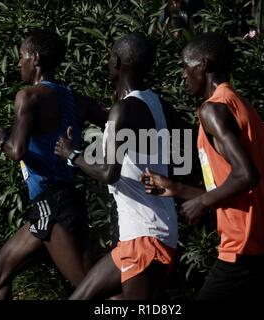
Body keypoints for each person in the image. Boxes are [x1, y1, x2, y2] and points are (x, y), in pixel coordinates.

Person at [142, 32, 264, 300]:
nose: (183, 75)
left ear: (203, 65)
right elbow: (236, 188)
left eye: (186, 67)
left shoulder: (213, 109)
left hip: (244, 245)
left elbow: (247, 176)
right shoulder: (242, 106)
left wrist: (201, 204)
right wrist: (175, 188)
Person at [54, 32, 179, 300]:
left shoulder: (121, 110)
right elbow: (179, 158)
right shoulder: (160, 106)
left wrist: (71, 153)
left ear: (118, 62)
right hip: (156, 230)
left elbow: (109, 174)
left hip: (144, 237)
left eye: (110, 56)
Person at [0, 29, 107, 299]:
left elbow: (16, 151)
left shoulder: (28, 97)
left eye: (21, 57)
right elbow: (113, 120)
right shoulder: (76, 100)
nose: (19, 63)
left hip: (54, 209)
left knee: (92, 291)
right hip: (55, 206)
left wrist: (1, 138)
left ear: (36, 58)